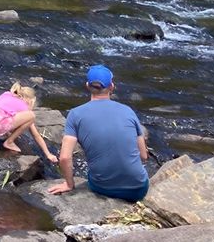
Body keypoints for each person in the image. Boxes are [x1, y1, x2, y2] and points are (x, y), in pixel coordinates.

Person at [48, 65, 149, 202]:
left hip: (103, 187)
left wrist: (69, 184)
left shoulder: (75, 114)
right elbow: (143, 156)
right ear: (112, 87)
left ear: (87, 86)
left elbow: (65, 158)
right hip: (137, 189)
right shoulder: (128, 111)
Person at [0, 81, 59, 162]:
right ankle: (9, 142)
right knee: (32, 115)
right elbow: (36, 135)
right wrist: (48, 154)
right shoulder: (23, 106)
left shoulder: (7, 94)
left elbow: (3, 113)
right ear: (28, 100)